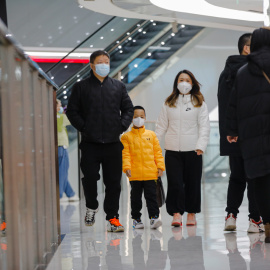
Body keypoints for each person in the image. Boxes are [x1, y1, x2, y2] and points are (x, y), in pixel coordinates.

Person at [66, 50, 133, 232]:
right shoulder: (81, 87)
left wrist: (121, 126)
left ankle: (113, 218)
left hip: (113, 143)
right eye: (100, 61)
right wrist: (85, 127)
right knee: (89, 178)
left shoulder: (118, 87)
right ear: (92, 65)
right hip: (90, 143)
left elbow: (128, 109)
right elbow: (72, 111)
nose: (104, 64)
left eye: (107, 61)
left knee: (113, 183)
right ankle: (91, 206)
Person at [226, 27, 270, 243]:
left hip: (252, 135)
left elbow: (232, 104)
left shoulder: (243, 71)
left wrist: (232, 131)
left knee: (259, 179)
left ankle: (266, 222)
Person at [218, 33, 264, 233]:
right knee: (254, 177)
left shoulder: (226, 72)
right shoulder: (250, 72)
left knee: (236, 176)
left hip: (232, 134)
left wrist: (229, 132)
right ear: (247, 49)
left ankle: (231, 216)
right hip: (252, 134)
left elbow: (224, 106)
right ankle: (255, 220)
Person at [156, 70, 210, 227]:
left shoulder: (199, 103)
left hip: (193, 150)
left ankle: (191, 213)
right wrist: (152, 145)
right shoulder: (168, 102)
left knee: (193, 182)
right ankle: (177, 213)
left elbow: (204, 127)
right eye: (181, 79)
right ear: (176, 83)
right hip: (172, 150)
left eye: (187, 80)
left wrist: (201, 146)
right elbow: (161, 126)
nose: (184, 82)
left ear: (192, 83)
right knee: (175, 183)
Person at [121, 106, 165, 229]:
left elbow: (158, 152)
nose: (139, 119)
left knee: (152, 198)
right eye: (135, 117)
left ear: (145, 118)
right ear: (131, 118)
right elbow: (126, 154)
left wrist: (160, 167)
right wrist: (127, 167)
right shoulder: (126, 137)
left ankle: (154, 218)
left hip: (151, 174)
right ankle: (136, 219)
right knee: (135, 199)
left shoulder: (152, 135)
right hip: (134, 175)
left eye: (141, 116)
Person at [57, 99, 79, 202]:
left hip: (59, 147)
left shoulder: (55, 117)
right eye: (60, 105)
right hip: (61, 147)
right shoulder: (59, 117)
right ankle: (60, 195)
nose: (61, 107)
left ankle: (70, 194)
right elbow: (72, 119)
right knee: (62, 172)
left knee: (62, 171)